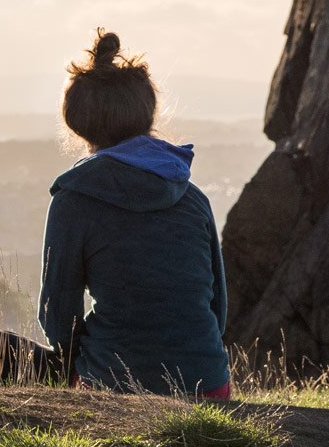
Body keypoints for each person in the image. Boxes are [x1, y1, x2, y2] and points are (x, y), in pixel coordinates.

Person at [37, 29, 231, 397]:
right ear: (146, 113)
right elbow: (217, 310)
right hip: (209, 386)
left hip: (114, 387)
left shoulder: (73, 201)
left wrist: (87, 360)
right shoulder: (193, 198)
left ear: (77, 121)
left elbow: (57, 315)